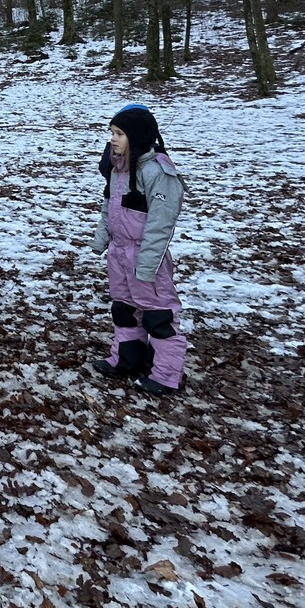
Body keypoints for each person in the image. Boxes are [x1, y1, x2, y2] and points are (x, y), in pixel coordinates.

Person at [91, 104, 187, 395]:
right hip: (119, 253)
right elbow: (109, 208)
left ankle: (166, 374)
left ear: (137, 136)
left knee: (157, 313)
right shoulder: (118, 169)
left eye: (119, 133)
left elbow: (161, 224)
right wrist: (102, 239)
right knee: (124, 308)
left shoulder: (157, 173)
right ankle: (127, 359)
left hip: (146, 256)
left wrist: (148, 264)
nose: (112, 139)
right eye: (112, 132)